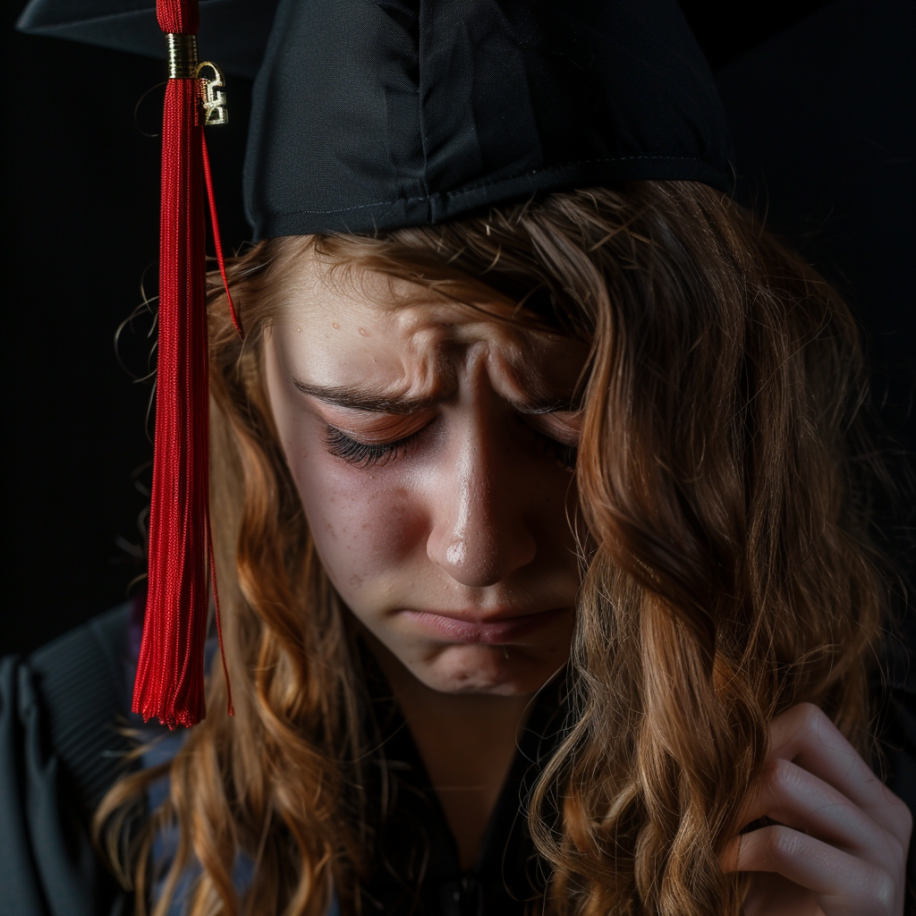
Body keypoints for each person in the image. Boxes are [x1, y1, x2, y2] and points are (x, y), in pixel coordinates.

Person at [3, 1, 913, 915]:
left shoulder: (864, 789)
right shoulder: (75, 761)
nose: (476, 551)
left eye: (575, 432)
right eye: (370, 434)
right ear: (255, 397)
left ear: (713, 404)